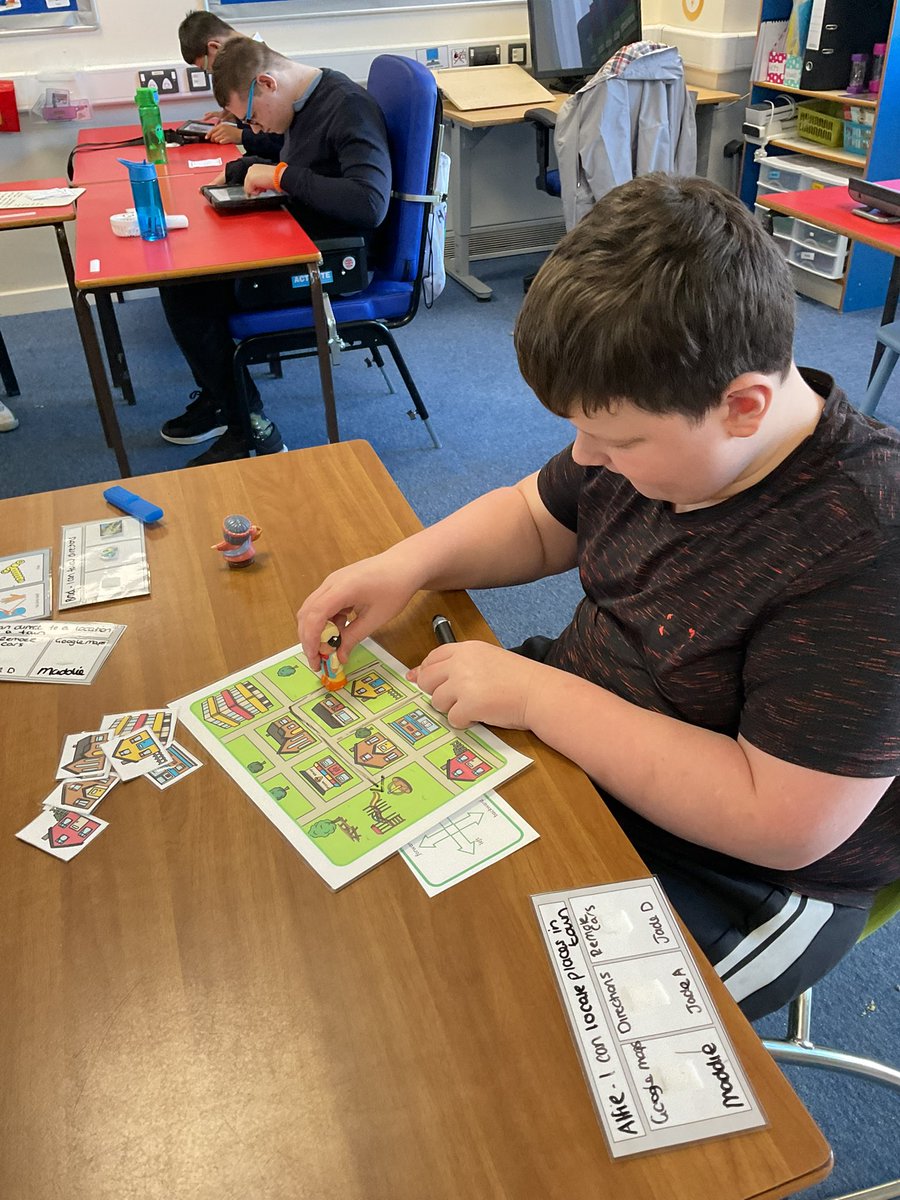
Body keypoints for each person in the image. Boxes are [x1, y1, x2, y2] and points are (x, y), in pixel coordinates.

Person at [296, 173, 900, 1020]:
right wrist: (406, 564)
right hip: (582, 734)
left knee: (526, 1045)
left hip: (747, 876)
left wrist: (543, 697)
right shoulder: (661, 439)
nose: (584, 458)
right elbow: (538, 518)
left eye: (612, 438)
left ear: (743, 407)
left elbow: (781, 820)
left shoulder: (865, 539)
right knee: (394, 934)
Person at [158, 36, 391, 466]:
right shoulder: (301, 106)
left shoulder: (347, 107)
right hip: (294, 238)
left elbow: (369, 203)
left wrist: (280, 175)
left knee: (185, 291)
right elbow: (307, 165)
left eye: (251, 118)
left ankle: (252, 431)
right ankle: (222, 399)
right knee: (183, 276)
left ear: (266, 83)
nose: (256, 129)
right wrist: (251, 168)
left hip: (331, 260)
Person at [176, 11, 283, 160]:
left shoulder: (263, 69)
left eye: (207, 68)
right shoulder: (248, 62)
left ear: (215, 47)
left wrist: (241, 136)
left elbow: (283, 142)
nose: (214, 73)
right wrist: (238, 114)